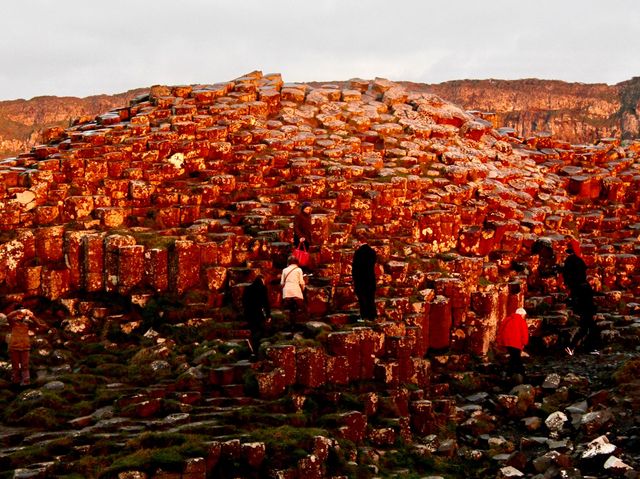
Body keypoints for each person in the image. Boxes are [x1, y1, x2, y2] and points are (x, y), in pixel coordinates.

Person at [6, 305, 46, 386]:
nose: (21, 315)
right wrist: (18, 312)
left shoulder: (27, 323)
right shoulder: (13, 322)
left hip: (25, 346)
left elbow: (38, 324)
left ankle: (26, 380)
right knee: (15, 365)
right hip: (14, 346)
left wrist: (31, 315)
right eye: (19, 313)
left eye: (22, 313)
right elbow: (8, 316)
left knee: (25, 365)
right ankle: (15, 380)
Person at [565, 280, 600, 355]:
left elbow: (577, 301)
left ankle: (571, 347)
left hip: (583, 312)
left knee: (584, 330)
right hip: (587, 312)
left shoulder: (580, 287)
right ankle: (589, 348)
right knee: (590, 330)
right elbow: (589, 302)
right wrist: (593, 313)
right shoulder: (586, 288)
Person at [496, 307, 530, 383]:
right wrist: (524, 343)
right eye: (524, 315)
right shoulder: (521, 321)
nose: (524, 317)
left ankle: (508, 374)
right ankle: (522, 375)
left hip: (507, 343)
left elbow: (500, 331)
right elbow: (524, 333)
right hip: (516, 343)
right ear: (521, 314)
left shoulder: (507, 319)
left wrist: (500, 342)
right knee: (517, 359)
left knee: (513, 358)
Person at [242, 275, 271, 354]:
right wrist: (268, 315)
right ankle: (257, 348)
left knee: (253, 329)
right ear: (262, 280)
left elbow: (244, 301)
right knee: (259, 330)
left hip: (249, 313)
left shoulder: (247, 288)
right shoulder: (262, 289)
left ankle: (253, 348)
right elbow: (265, 303)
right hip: (258, 313)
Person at [352, 239, 377, 321]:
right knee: (371, 298)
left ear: (360, 241)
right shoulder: (372, 252)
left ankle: (364, 316)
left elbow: (355, 269)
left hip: (361, 280)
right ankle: (372, 316)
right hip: (371, 279)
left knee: (362, 299)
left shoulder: (358, 253)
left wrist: (354, 279)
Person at [281, 256, 306, 325]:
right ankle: (296, 325)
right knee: (298, 309)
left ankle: (289, 324)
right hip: (296, 291)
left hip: (287, 293)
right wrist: (303, 289)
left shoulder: (284, 270)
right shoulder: (299, 270)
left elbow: (282, 283)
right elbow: (301, 282)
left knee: (289, 309)